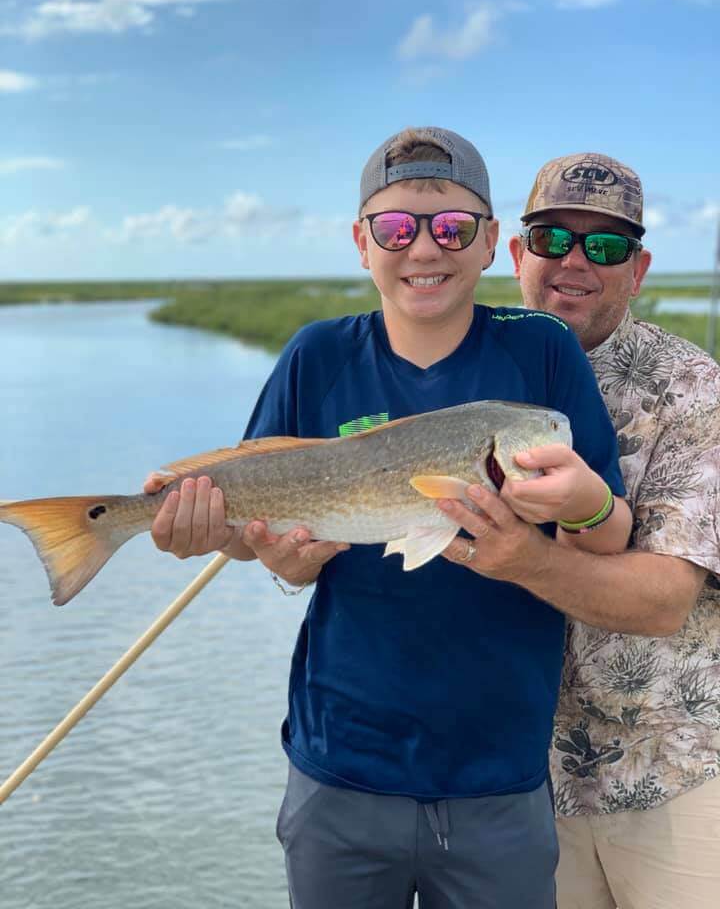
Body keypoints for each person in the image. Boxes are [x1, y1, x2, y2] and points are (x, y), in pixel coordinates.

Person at [144, 128, 632, 908]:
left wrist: (585, 502)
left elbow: (609, 532)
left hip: (498, 773)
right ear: (362, 244)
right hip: (341, 761)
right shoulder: (316, 354)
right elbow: (251, 534)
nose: (423, 249)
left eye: (451, 228)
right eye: (397, 228)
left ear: (488, 245)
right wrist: (252, 550)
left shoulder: (540, 349)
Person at [507, 152, 720, 909]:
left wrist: (519, 559)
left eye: (604, 246)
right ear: (514, 252)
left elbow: (664, 600)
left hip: (671, 774)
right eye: (551, 237)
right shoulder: (468, 374)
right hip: (514, 784)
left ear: (639, 268)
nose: (574, 261)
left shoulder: (693, 389)